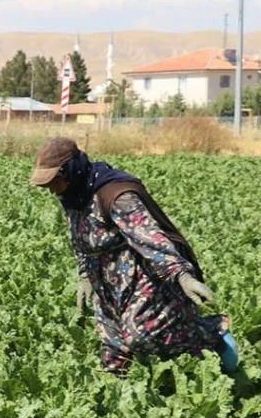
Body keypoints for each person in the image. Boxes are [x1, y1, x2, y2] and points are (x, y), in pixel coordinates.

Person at [30, 137, 240, 374]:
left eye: (54, 182)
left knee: (142, 336)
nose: (51, 190)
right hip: (106, 282)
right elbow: (80, 240)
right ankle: (115, 401)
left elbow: (150, 239)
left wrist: (181, 275)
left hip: (144, 277)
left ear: (70, 171)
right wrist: (85, 274)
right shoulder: (73, 196)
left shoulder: (116, 196)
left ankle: (213, 334)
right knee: (113, 345)